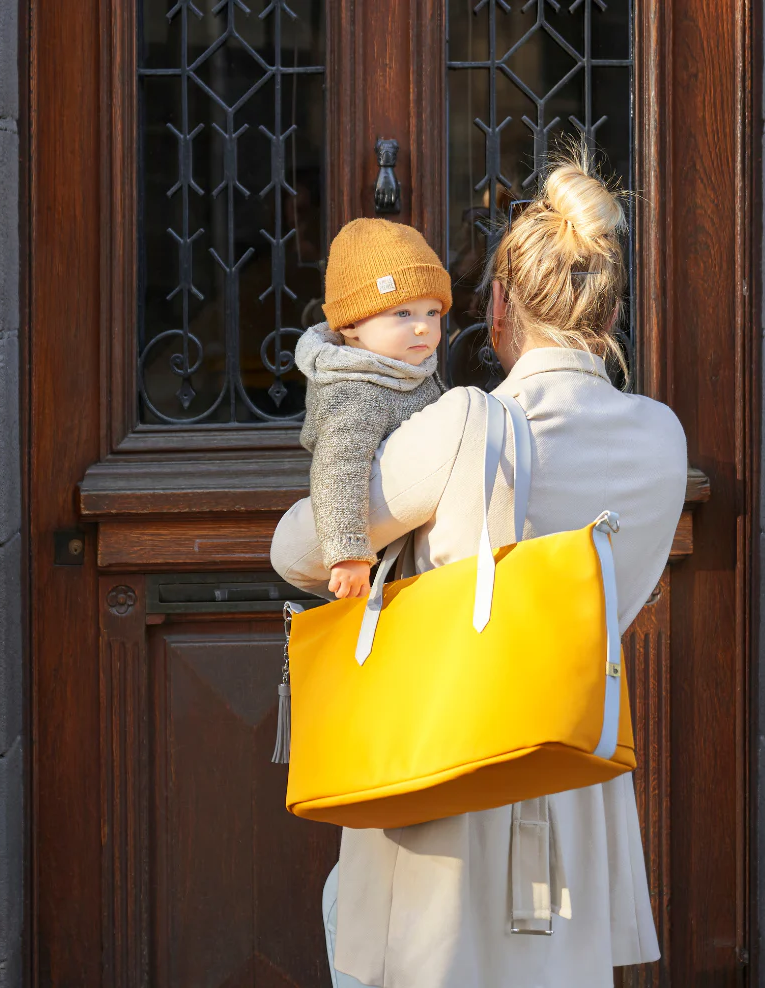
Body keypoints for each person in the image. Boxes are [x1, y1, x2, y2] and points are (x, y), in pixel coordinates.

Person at [270, 149, 688, 988]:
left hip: (446, 778)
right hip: (568, 775)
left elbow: (297, 548)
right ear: (605, 309)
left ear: (498, 307)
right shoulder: (663, 437)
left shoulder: (466, 423)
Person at [295, 218, 451, 599]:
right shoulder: (355, 392)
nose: (422, 328)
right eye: (403, 314)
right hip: (375, 549)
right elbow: (338, 468)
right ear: (351, 324)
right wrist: (348, 554)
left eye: (432, 313)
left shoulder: (407, 367)